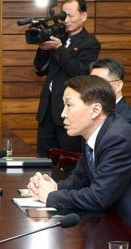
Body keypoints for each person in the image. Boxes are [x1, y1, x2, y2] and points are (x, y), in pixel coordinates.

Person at [27, 75, 131, 248]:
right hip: (120, 222)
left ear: (95, 110)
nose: (62, 113)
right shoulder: (95, 132)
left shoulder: (117, 138)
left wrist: (52, 197)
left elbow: (99, 197)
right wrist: (55, 187)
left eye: (69, 105)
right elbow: (81, 178)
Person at [34, 0, 101, 157]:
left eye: (70, 16)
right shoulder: (57, 37)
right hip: (47, 111)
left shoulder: (90, 43)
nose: (66, 20)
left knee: (69, 159)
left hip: (70, 112)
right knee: (44, 160)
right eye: (63, 16)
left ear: (83, 16)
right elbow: (39, 70)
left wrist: (59, 49)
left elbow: (79, 72)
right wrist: (43, 49)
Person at [90, 57, 131, 137]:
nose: (94, 87)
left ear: (118, 85)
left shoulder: (128, 119)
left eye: (101, 82)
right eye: (91, 82)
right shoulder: (93, 110)